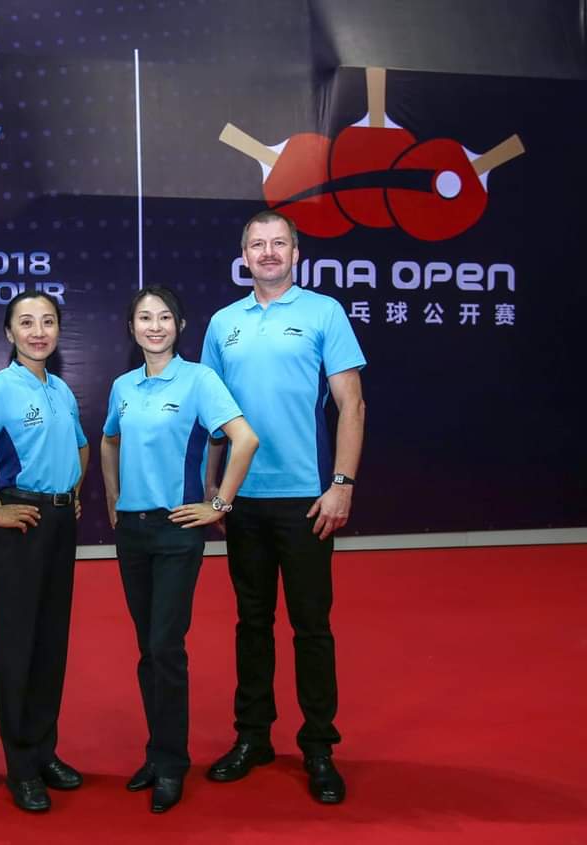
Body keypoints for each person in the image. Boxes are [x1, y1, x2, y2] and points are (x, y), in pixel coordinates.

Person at [200, 210, 366, 804]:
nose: (268, 253)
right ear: (243, 254)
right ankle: (253, 737)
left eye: (278, 244)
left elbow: (351, 404)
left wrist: (342, 482)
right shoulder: (222, 324)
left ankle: (319, 744)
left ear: (297, 251)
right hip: (242, 501)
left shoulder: (324, 313)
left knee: (312, 626)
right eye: (257, 244)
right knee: (251, 622)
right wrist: (213, 492)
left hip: (307, 498)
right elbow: (213, 418)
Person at [101, 286, 259, 814]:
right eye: (144, 317)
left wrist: (219, 503)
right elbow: (108, 440)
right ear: (132, 328)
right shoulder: (123, 386)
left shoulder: (200, 380)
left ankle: (171, 763)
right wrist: (113, 499)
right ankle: (157, 750)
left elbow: (244, 438)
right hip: (132, 532)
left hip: (176, 531)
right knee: (148, 647)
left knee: (166, 646)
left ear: (181, 325)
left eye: (164, 317)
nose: (154, 326)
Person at [0, 291, 89, 813]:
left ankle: (44, 750)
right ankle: (21, 766)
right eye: (25, 323)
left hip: (57, 524)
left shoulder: (61, 391)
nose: (38, 331)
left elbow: (81, 445)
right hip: (18, 524)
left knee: (51, 644)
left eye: (47, 322)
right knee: (16, 649)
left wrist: (70, 492)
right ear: (7, 334)